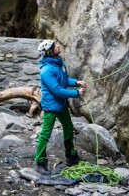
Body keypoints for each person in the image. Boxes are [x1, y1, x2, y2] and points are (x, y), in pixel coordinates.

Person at [34, 39, 87, 174]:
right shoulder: (46, 71)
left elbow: (64, 80)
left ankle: (71, 156)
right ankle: (40, 161)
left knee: (69, 128)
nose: (57, 46)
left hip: (62, 104)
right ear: (50, 51)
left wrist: (76, 82)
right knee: (46, 133)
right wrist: (77, 93)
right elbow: (57, 90)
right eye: (54, 46)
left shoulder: (59, 63)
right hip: (51, 106)